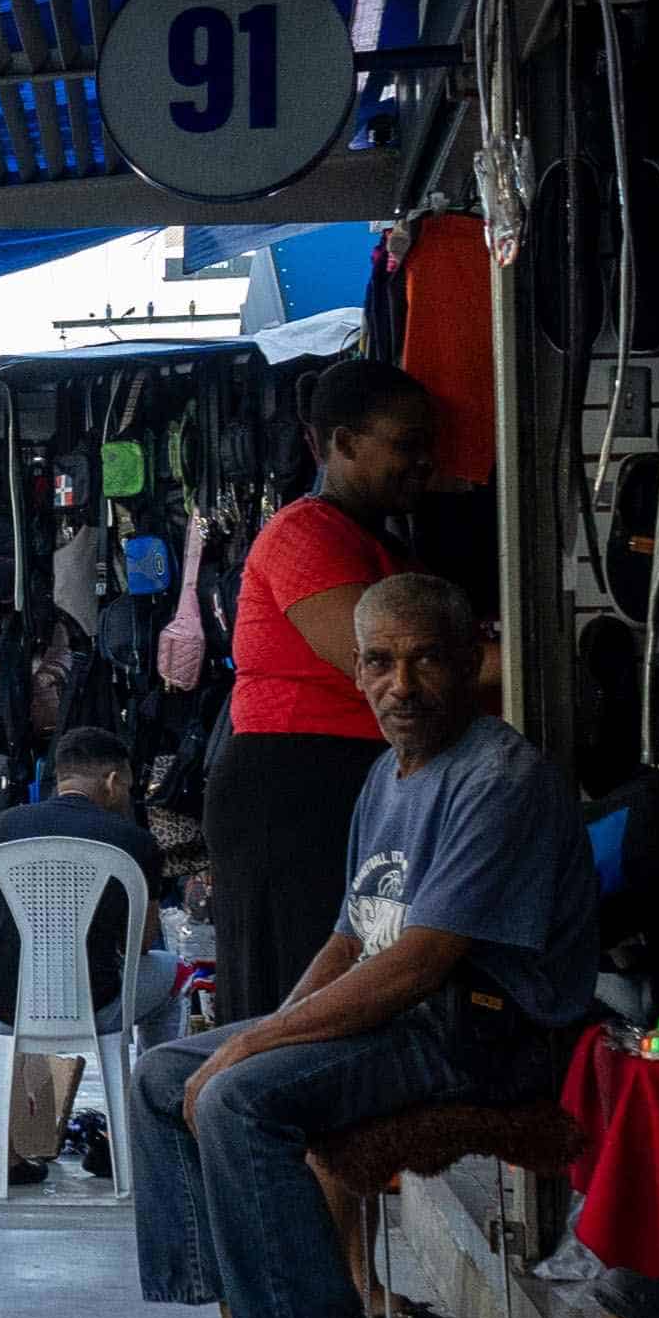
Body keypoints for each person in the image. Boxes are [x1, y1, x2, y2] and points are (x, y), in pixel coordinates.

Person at [116, 577, 603, 1318]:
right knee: (164, 1075)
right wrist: (261, 1030)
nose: (400, 686)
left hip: (484, 1032)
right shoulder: (388, 774)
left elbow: (418, 961)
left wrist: (254, 1049)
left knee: (238, 1097)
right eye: (379, 663)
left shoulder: (500, 779)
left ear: (467, 665)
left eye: (425, 662)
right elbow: (351, 938)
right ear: (356, 670)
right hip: (407, 1018)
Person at [208, 359, 437, 1051]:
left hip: (348, 788)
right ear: (340, 443)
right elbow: (386, 666)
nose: (421, 462)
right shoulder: (306, 535)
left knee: (345, 1012)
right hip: (294, 793)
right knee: (297, 1016)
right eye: (404, 444)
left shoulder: (378, 543)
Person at [0, 726, 169, 1036]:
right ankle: (155, 1078)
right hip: (96, 1004)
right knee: (177, 977)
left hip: (0, 1006)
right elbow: (138, 945)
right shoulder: (136, 842)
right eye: (128, 785)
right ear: (113, 782)